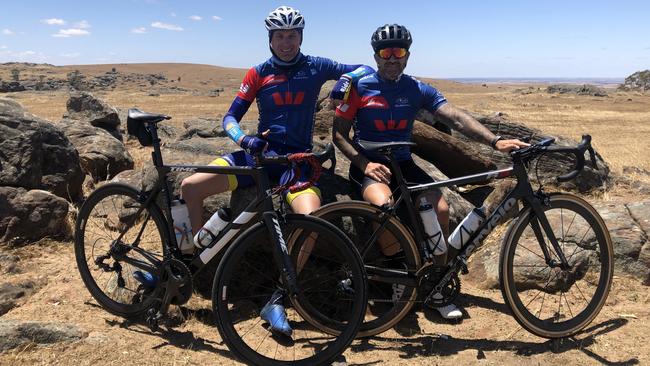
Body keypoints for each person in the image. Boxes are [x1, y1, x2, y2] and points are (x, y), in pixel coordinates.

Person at [132, 6, 373, 337]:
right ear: (270, 39)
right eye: (279, 36)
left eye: (292, 36)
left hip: (295, 164)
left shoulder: (316, 66)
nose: (286, 43)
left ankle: (277, 298)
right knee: (190, 186)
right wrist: (244, 138)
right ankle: (184, 265)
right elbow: (229, 118)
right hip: (257, 157)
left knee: (312, 220)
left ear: (300, 37)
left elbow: (364, 67)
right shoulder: (258, 73)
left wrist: (346, 80)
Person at [332, 24, 528, 320]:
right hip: (372, 165)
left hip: (404, 164)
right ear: (376, 56)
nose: (392, 58)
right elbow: (339, 135)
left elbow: (455, 117)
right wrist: (364, 164)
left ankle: (435, 288)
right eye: (386, 52)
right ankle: (399, 283)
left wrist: (495, 140)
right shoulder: (359, 88)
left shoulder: (414, 88)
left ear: (407, 56)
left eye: (398, 52)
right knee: (383, 209)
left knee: (441, 209)